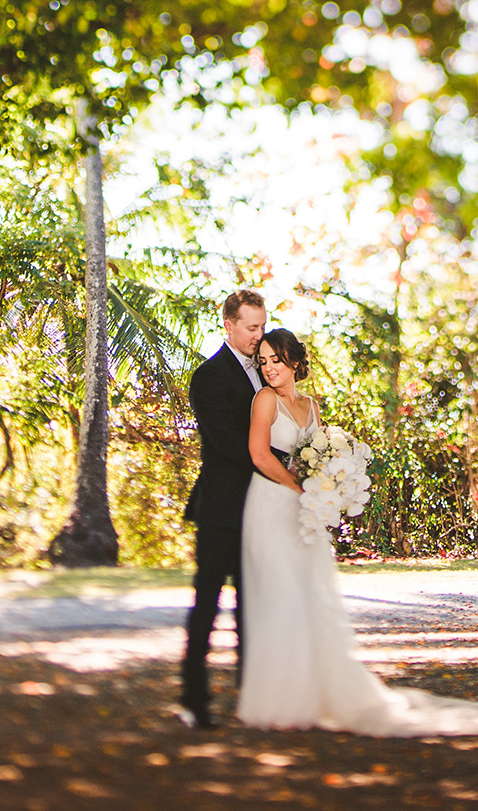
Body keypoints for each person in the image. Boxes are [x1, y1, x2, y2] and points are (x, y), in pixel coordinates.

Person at [235, 327, 478, 736]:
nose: (269, 369)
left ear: (294, 362)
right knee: (279, 594)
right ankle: (277, 699)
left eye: (276, 361)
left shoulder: (311, 405)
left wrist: (326, 484)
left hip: (303, 504)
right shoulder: (263, 400)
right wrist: (298, 486)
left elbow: (317, 453)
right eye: (263, 361)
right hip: (270, 503)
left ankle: (312, 691)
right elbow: (257, 453)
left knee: (307, 593)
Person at [178, 288, 266, 728]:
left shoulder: (268, 374)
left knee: (253, 607)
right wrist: (278, 461)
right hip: (219, 507)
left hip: (261, 509)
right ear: (229, 326)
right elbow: (225, 442)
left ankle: (250, 697)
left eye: (262, 326)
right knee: (208, 605)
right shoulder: (209, 376)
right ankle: (194, 698)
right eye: (251, 327)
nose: (258, 335)